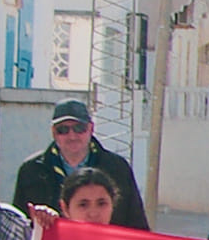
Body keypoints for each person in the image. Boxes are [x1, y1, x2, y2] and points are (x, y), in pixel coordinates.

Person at [10, 98, 149, 230]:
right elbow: (18, 226)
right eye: (63, 130)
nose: (72, 136)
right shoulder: (31, 170)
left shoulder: (116, 167)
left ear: (91, 128)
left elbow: (136, 224)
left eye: (79, 128)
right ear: (53, 132)